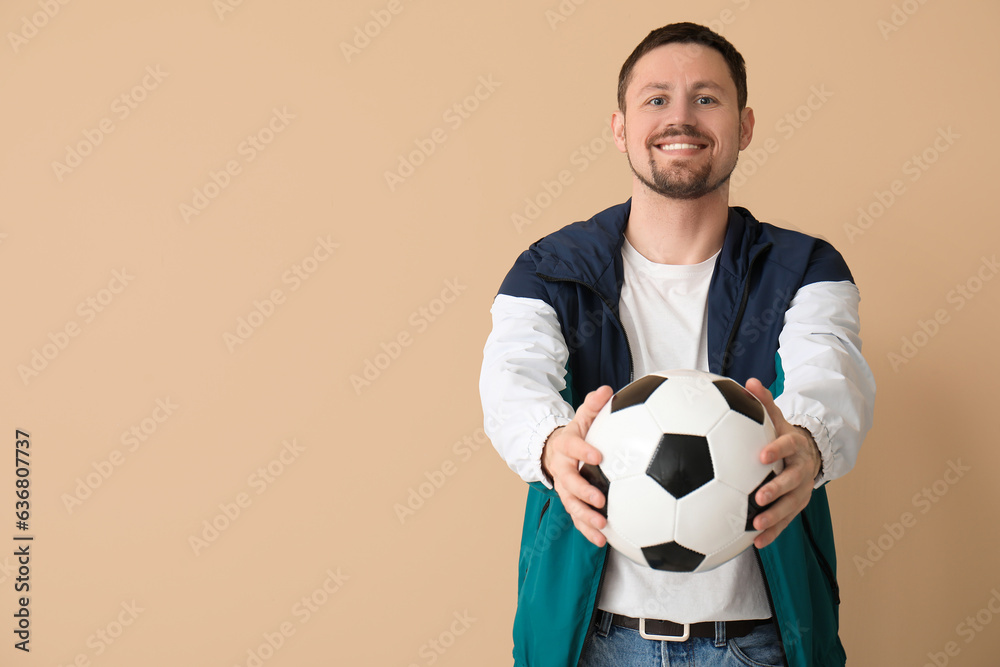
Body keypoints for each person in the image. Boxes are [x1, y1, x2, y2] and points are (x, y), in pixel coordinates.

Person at [479, 22, 876, 667]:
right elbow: (512, 383)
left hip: (759, 642)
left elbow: (831, 375)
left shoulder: (804, 267)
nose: (681, 118)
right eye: (657, 99)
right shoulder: (549, 269)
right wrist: (552, 445)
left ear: (745, 126)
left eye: (707, 98)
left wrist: (806, 444)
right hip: (594, 639)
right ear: (620, 126)